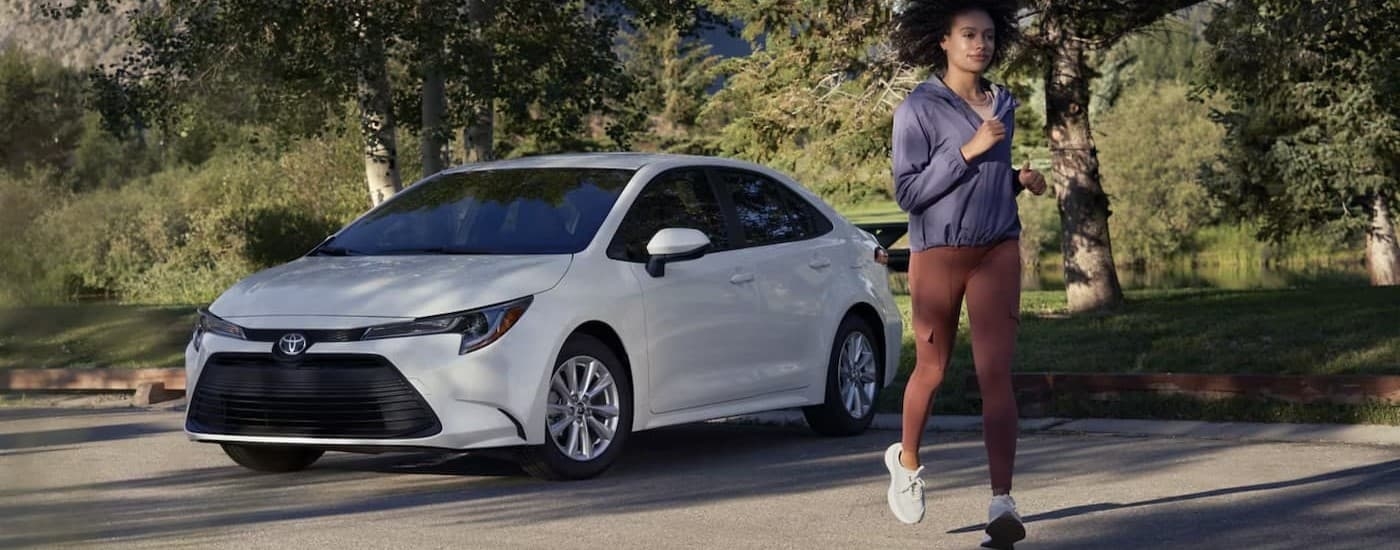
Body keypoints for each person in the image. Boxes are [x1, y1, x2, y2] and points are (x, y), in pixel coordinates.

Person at [882, 2, 1046, 549]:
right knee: (932, 368)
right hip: (939, 253)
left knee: (996, 374)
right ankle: (906, 461)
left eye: (989, 36)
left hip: (997, 247)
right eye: (968, 35)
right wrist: (968, 151)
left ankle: (1002, 500)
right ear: (944, 42)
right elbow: (909, 192)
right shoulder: (918, 109)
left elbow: (991, 178)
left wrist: (1019, 178)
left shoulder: (1003, 102)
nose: (981, 44)